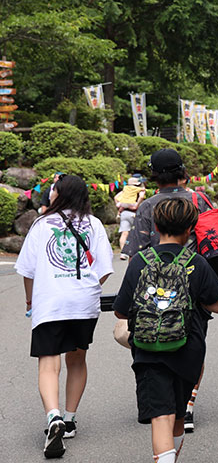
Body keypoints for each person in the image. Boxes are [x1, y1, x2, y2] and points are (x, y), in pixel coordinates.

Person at [114, 198, 218, 463]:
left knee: (160, 416)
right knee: (176, 415)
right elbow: (216, 305)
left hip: (149, 350)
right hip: (189, 350)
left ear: (155, 225)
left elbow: (121, 311)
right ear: (190, 229)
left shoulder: (139, 262)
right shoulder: (197, 262)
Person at [16, 175, 114, 458]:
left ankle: (54, 417)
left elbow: (27, 270)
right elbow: (104, 268)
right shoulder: (94, 224)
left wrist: (31, 299)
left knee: (49, 362)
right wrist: (88, 288)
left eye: (53, 190)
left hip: (50, 303)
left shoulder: (42, 224)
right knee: (77, 358)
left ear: (59, 195)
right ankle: (69, 419)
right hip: (84, 302)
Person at [123, 148, 215, 433]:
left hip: (153, 292)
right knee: (194, 343)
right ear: (182, 172)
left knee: (155, 340)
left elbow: (135, 250)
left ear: (154, 174)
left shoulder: (148, 205)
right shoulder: (199, 200)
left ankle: (162, 404)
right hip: (195, 285)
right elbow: (214, 242)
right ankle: (186, 405)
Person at [115, 175, 146, 260]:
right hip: (133, 213)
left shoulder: (125, 190)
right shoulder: (138, 189)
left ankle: (123, 253)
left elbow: (116, 197)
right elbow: (142, 196)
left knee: (124, 233)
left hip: (124, 213)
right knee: (137, 232)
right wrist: (137, 204)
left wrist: (120, 205)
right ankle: (136, 251)